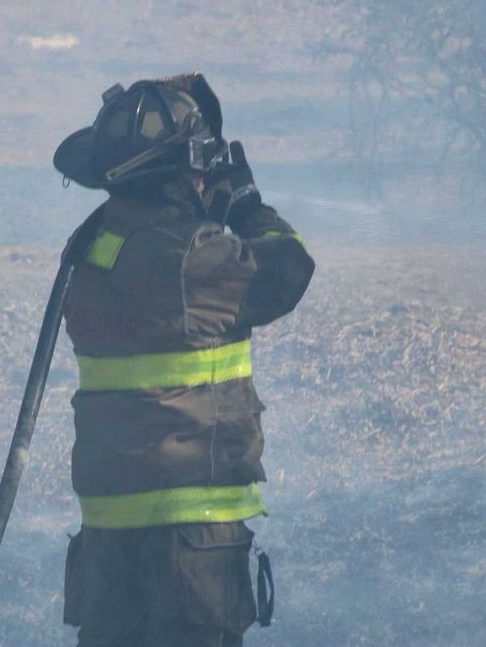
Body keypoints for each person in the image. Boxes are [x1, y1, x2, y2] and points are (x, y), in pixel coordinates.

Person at [54, 73, 315, 647]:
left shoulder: (93, 254)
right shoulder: (191, 260)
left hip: (108, 541)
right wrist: (246, 205)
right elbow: (289, 271)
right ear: (180, 174)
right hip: (191, 545)